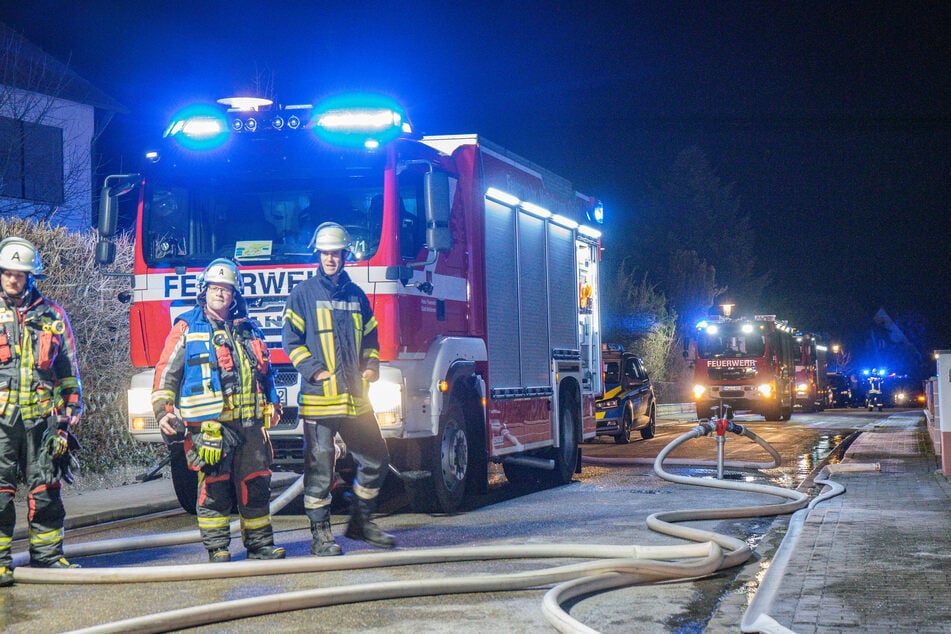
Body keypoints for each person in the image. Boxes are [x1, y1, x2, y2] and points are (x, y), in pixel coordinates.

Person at [152, 258, 286, 562]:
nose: (220, 293)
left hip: (251, 425)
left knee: (256, 484)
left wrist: (274, 403)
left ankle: (260, 545)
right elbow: (166, 373)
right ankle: (217, 548)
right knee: (214, 488)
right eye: (214, 287)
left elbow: (266, 372)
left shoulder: (249, 329)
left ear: (235, 294)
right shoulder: (187, 326)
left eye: (226, 288)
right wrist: (163, 411)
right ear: (204, 290)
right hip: (210, 427)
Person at [282, 222, 396, 556]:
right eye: (325, 253)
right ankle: (321, 536)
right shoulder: (303, 294)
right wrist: (313, 371)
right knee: (320, 471)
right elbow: (290, 340)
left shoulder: (356, 295)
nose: (331, 259)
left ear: (344, 255)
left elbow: (371, 337)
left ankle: (361, 523)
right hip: (320, 401)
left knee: (376, 458)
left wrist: (372, 365)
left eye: (336, 253)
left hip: (355, 398)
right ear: (318, 255)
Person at [0, 237, 83, 585]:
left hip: (43, 420)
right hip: (2, 422)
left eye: (19, 274)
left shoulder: (53, 316)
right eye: (6, 273)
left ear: (32, 276)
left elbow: (67, 371)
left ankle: (48, 557)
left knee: (46, 489)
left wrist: (69, 414)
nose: (12, 279)